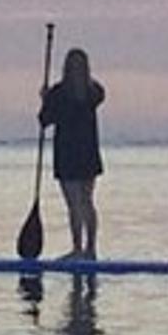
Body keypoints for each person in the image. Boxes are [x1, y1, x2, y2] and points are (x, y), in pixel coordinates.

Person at [39, 47, 105, 259]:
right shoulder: (93, 92)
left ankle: (78, 249)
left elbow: (44, 120)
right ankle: (91, 248)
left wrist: (45, 99)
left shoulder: (60, 94)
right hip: (88, 152)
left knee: (74, 204)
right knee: (87, 201)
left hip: (68, 153)